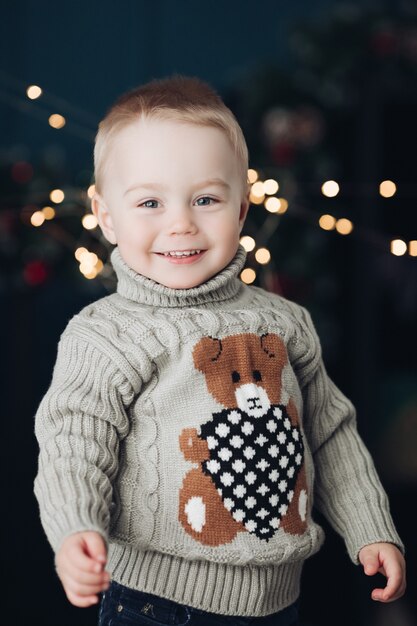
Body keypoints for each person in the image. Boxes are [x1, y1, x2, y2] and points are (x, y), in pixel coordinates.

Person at [34, 75, 406, 626]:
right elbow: (73, 444)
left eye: (205, 198)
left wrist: (370, 525)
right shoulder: (106, 334)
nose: (180, 222)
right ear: (106, 214)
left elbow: (330, 433)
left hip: (278, 603)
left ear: (240, 207)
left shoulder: (284, 321)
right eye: (150, 202)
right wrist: (75, 530)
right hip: (155, 603)